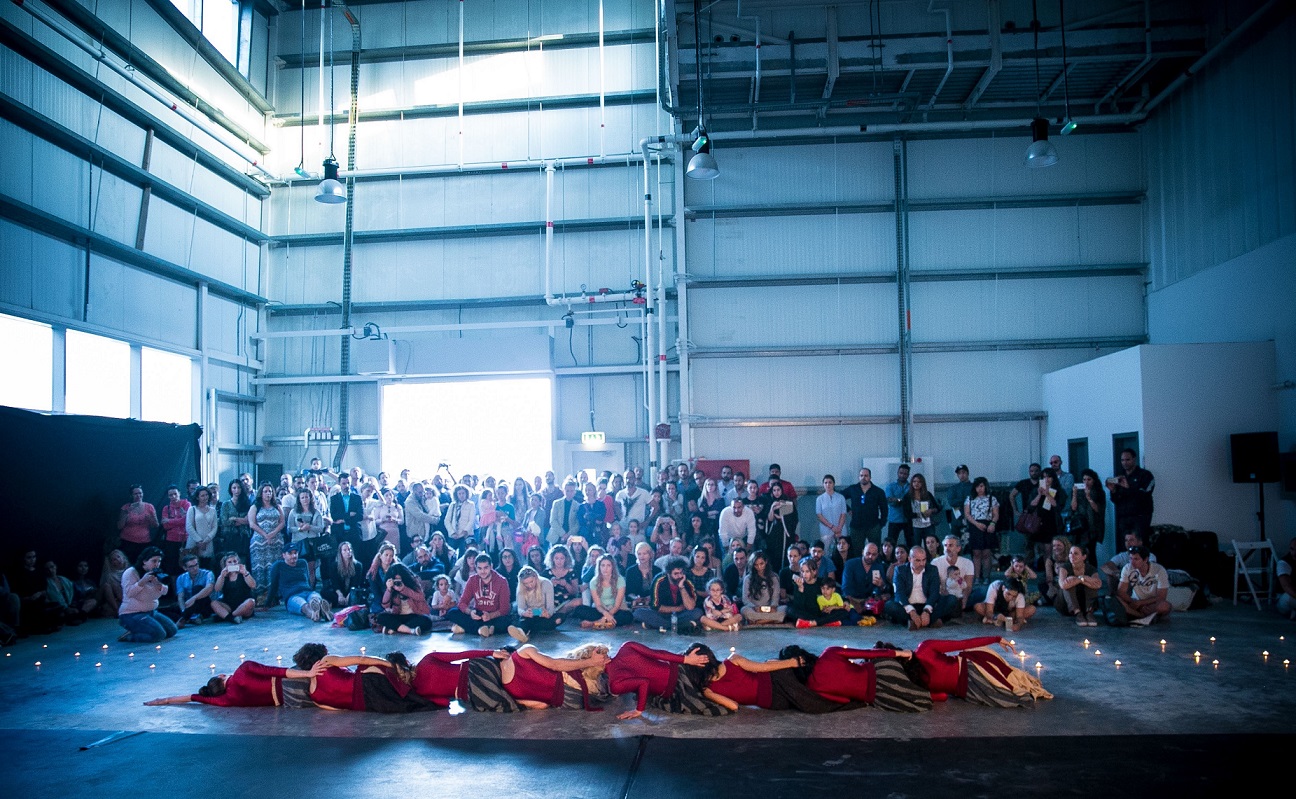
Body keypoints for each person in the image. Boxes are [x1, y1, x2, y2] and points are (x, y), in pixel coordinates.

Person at [697, 644, 855, 714]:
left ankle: (839, 693)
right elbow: (763, 668)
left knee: (780, 664)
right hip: (775, 681)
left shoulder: (707, 690)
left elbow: (734, 706)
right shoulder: (733, 660)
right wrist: (792, 662)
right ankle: (844, 677)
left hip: (772, 702)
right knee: (792, 660)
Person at [784, 643, 932, 713]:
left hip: (880, 695)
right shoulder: (829, 653)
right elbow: (868, 653)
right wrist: (898, 653)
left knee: (923, 701)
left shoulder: (811, 686)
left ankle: (935, 694)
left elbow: (843, 700)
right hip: (884, 669)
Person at [909, 637, 1053, 707]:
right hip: (975, 669)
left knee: (1011, 688)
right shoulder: (924, 648)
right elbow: (964, 644)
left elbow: (942, 696)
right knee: (1011, 680)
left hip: (969, 690)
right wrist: (996, 639)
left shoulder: (914, 683)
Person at [145, 658, 328, 708]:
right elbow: (277, 671)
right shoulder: (243, 669)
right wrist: (308, 672)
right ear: (222, 676)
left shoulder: (227, 700)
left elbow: (196, 698)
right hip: (290, 684)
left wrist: (167, 700)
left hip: (290, 701)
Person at [606, 641, 723, 719]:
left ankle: (718, 669)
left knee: (696, 657)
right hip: (677, 682)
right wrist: (685, 659)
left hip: (675, 679)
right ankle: (720, 668)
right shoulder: (626, 646)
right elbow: (657, 654)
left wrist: (639, 710)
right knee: (698, 656)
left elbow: (644, 682)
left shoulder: (614, 685)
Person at [885, 545, 957, 630]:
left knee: (952, 599)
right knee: (889, 605)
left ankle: (917, 622)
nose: (922, 564)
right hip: (907, 606)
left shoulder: (932, 569)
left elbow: (934, 592)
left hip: (928, 605)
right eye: (918, 560)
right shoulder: (900, 570)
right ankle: (927, 621)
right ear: (909, 559)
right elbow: (899, 593)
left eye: (924, 560)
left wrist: (926, 611)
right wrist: (912, 612)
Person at [118, 547, 177, 643]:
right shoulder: (131, 572)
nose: (157, 564)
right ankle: (130, 636)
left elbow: (165, 592)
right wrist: (142, 582)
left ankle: (143, 628)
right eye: (154, 561)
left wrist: (158, 583)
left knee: (172, 630)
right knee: (159, 635)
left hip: (150, 611)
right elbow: (129, 593)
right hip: (131, 614)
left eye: (159, 561)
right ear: (144, 561)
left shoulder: (157, 573)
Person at [446, 553, 512, 637]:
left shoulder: (502, 581)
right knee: (452, 612)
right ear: (475, 568)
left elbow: (504, 609)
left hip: (494, 615)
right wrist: (471, 612)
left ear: (491, 566)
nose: (483, 571)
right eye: (479, 568)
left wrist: (490, 616)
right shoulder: (472, 580)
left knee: (505, 622)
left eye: (486, 568)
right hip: (478, 615)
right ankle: (486, 630)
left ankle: (468, 629)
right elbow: (462, 603)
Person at [1106, 546, 1171, 626]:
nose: (1132, 562)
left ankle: (1139, 615)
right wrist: (1133, 602)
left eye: (1136, 559)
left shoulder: (1159, 570)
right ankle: (1143, 616)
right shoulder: (1127, 568)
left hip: (1151, 603)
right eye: (1130, 558)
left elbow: (1161, 596)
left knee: (1165, 606)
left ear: (1145, 559)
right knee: (1116, 600)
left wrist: (1141, 603)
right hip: (1134, 602)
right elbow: (1121, 591)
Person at [633, 557, 702, 632]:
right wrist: (678, 608)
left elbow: (690, 607)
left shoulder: (687, 581)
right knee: (638, 613)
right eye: (676, 574)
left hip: (680, 615)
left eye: (681, 573)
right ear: (668, 573)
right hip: (662, 615)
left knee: (697, 612)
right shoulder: (659, 580)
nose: (679, 576)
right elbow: (656, 607)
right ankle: (681, 625)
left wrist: (682, 587)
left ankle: (661, 626)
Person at [268, 546, 332, 622]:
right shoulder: (278, 566)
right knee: (304, 606)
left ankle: (320, 610)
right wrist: (268, 603)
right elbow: (273, 586)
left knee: (315, 599)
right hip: (292, 596)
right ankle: (317, 614)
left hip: (308, 592)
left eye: (295, 553)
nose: (294, 556)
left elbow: (308, 581)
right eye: (290, 553)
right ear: (284, 555)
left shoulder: (303, 562)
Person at [1107, 448, 1155, 543]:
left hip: (1140, 517)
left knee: (1139, 544)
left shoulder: (1145, 475)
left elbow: (1144, 495)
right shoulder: (1119, 477)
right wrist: (1113, 491)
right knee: (1125, 546)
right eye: (1122, 460)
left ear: (1134, 459)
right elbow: (1116, 500)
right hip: (1123, 517)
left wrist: (1128, 487)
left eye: (1127, 460)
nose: (1125, 463)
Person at [246, 484, 284, 603]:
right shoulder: (255, 507)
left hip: (276, 541)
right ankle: (261, 596)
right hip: (259, 542)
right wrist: (265, 534)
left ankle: (274, 595)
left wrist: (272, 534)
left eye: (270, 491)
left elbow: (282, 522)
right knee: (260, 568)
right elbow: (252, 524)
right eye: (265, 491)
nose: (268, 494)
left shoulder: (277, 506)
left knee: (274, 567)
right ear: (261, 493)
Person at [575, 554, 634, 630]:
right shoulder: (594, 581)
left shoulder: (620, 580)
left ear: (612, 567)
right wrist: (605, 614)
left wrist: (606, 616)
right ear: (599, 567)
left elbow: (617, 605)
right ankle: (607, 623)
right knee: (579, 610)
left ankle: (595, 623)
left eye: (608, 565)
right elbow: (598, 605)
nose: (605, 568)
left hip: (616, 610)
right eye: (603, 565)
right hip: (601, 610)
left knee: (628, 617)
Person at [788, 556, 847, 629]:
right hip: (806, 613)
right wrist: (801, 589)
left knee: (843, 612)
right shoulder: (799, 584)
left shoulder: (822, 582)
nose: (804, 574)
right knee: (790, 610)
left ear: (814, 571)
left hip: (821, 612)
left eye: (807, 571)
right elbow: (799, 607)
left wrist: (846, 601)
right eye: (802, 571)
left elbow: (836, 593)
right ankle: (823, 622)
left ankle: (814, 622)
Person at [376, 563, 433, 635]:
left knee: (426, 621)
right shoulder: (391, 587)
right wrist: (389, 590)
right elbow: (385, 605)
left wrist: (404, 589)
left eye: (400, 580)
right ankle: (409, 630)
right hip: (398, 615)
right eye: (395, 580)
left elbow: (421, 597)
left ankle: (396, 628)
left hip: (414, 615)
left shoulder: (413, 582)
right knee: (381, 617)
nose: (398, 582)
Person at [287, 487, 326, 590]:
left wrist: (310, 527)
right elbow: (289, 528)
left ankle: (311, 588)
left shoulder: (316, 512)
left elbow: (321, 528)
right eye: (302, 497)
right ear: (299, 499)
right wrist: (300, 529)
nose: (305, 499)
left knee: (311, 568)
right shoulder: (293, 512)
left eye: (307, 497)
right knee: (298, 567)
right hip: (298, 543)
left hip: (312, 543)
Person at [963, 477, 1000, 585]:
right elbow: (967, 514)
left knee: (987, 552)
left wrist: (992, 524)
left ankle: (987, 576)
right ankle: (977, 577)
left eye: (982, 486)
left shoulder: (991, 499)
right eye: (978, 486)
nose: (980, 489)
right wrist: (976, 524)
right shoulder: (969, 498)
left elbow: (996, 514)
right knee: (976, 553)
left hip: (988, 525)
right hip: (975, 525)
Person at [507, 565, 557, 643]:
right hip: (529, 615)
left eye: (531, 582)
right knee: (524, 621)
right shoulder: (520, 588)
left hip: (543, 614)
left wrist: (547, 614)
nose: (529, 585)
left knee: (556, 619)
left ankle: (528, 630)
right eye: (526, 583)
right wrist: (524, 613)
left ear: (536, 577)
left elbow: (551, 608)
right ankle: (522, 633)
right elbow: (520, 608)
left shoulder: (546, 583)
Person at [1056, 545, 1102, 627]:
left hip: (1084, 603)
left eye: (1076, 553)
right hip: (1066, 605)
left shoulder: (1090, 568)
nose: (1072, 556)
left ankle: (1089, 612)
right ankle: (1077, 613)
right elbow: (1063, 585)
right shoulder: (1064, 567)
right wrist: (1082, 579)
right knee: (1068, 586)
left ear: (1084, 557)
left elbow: (1098, 584)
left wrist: (1080, 579)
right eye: (1070, 553)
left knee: (1091, 586)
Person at [843, 468, 887, 552]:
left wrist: (881, 524)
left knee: (874, 551)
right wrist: (848, 509)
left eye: (866, 475)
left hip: (873, 526)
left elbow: (884, 509)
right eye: (861, 475)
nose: (863, 477)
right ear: (859, 477)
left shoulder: (878, 491)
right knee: (857, 552)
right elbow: (840, 498)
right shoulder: (853, 489)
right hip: (856, 526)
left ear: (870, 477)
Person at [841, 541, 889, 616]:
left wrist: (882, 585)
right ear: (863, 552)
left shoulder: (879, 567)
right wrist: (855, 604)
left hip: (868, 600)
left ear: (877, 555)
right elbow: (846, 587)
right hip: (851, 598)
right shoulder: (850, 564)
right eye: (868, 553)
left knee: (885, 598)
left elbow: (880, 590)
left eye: (874, 555)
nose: (870, 557)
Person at [1069, 468, 1106, 562]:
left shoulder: (1099, 492)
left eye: (1089, 479)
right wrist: (1074, 494)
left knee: (1091, 551)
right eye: (1084, 480)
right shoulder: (1079, 492)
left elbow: (1099, 509)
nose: (1086, 482)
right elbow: (1073, 508)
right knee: (1078, 550)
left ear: (1094, 480)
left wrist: (1089, 497)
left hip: (1092, 526)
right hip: (1079, 526)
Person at [116, 485, 158, 566]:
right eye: (135, 494)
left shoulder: (149, 507)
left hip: (144, 542)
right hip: (127, 542)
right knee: (127, 565)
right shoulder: (125, 507)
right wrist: (127, 512)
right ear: (131, 495)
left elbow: (156, 525)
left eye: (140, 493)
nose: (138, 495)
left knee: (142, 565)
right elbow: (119, 526)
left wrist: (149, 518)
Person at [741, 551, 786, 624]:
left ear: (766, 562)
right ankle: (770, 620)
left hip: (769, 609)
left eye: (761, 564)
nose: (759, 567)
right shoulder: (748, 579)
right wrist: (754, 607)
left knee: (784, 609)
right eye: (756, 565)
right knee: (744, 610)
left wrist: (772, 607)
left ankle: (759, 621)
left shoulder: (774, 577)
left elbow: (775, 597)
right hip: (754, 609)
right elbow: (745, 599)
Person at [934, 535, 975, 613]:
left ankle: (957, 608)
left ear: (958, 548)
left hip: (962, 594)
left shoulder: (967, 563)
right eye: (945, 545)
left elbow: (968, 586)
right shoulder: (935, 563)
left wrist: (964, 599)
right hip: (945, 595)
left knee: (983, 592)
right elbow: (936, 586)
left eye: (951, 545)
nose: (947, 548)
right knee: (950, 600)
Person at [211, 552, 256, 623]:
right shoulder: (224, 576)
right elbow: (217, 589)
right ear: (225, 564)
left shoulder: (244, 573)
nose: (233, 564)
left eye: (235, 561)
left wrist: (245, 573)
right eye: (229, 562)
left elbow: (253, 585)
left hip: (244, 605)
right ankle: (232, 618)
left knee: (251, 602)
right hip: (228, 605)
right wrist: (222, 576)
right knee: (214, 603)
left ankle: (229, 616)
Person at [159, 485, 191, 578]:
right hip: (171, 541)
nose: (173, 497)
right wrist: (180, 520)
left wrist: (170, 521)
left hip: (185, 540)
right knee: (172, 568)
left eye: (175, 494)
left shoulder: (186, 504)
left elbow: (186, 521)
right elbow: (165, 526)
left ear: (179, 494)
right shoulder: (166, 508)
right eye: (170, 495)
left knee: (186, 566)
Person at [174, 555, 215, 627]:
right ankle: (191, 617)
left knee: (197, 588)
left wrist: (194, 598)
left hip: (205, 604)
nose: (195, 568)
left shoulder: (208, 574)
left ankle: (184, 619)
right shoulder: (181, 578)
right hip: (189, 606)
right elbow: (181, 597)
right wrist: (184, 611)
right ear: (185, 568)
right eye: (191, 566)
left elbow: (209, 588)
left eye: (196, 565)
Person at [184, 486, 219, 568]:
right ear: (197, 497)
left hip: (208, 543)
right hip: (194, 544)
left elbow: (215, 527)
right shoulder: (192, 509)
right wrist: (199, 541)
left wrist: (206, 541)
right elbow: (189, 527)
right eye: (202, 495)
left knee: (206, 567)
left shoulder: (213, 510)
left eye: (206, 495)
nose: (205, 497)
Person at [217, 479, 251, 564]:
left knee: (242, 561)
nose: (237, 490)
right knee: (230, 560)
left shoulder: (247, 503)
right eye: (234, 488)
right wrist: (241, 520)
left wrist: (234, 519)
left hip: (243, 537)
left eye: (239, 487)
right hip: (229, 537)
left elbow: (249, 520)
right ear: (230, 489)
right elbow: (224, 522)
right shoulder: (226, 504)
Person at [323, 540, 364, 609]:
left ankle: (342, 603)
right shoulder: (334, 565)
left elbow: (356, 583)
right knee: (324, 592)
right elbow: (334, 582)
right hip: (339, 591)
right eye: (344, 550)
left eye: (349, 549)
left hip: (351, 591)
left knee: (359, 595)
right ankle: (340, 602)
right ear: (340, 552)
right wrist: (340, 595)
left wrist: (349, 595)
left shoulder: (358, 565)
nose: (348, 552)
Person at [905, 474, 941, 548]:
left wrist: (931, 510)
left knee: (930, 547)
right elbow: (906, 514)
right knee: (916, 547)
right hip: (915, 526)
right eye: (914, 481)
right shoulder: (907, 496)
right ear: (911, 483)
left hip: (928, 525)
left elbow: (937, 508)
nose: (916, 484)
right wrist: (920, 514)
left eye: (919, 482)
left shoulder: (928, 494)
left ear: (922, 483)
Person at [815, 474, 847, 550]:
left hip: (840, 529)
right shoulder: (820, 499)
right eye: (825, 483)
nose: (828, 484)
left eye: (830, 482)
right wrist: (832, 527)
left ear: (834, 484)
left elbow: (843, 514)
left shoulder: (840, 497)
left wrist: (839, 528)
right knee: (826, 550)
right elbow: (819, 515)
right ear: (823, 485)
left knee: (841, 549)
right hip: (826, 529)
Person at [884, 464, 912, 546]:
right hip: (894, 519)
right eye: (901, 473)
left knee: (911, 543)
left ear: (908, 475)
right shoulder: (890, 486)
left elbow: (912, 501)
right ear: (898, 473)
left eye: (905, 474)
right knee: (891, 544)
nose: (902, 475)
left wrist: (897, 499)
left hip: (908, 519)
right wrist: (901, 501)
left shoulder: (911, 486)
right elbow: (890, 501)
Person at [945, 465, 974, 545]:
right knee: (955, 543)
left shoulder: (974, 487)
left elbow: (974, 501)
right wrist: (966, 500)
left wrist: (961, 501)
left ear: (967, 473)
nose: (962, 475)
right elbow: (952, 502)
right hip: (956, 521)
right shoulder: (953, 488)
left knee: (970, 544)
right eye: (959, 473)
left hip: (971, 520)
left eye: (963, 472)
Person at [99, 549, 129, 618]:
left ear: (123, 558)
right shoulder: (110, 574)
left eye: (118, 557)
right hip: (115, 598)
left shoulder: (130, 571)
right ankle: (117, 611)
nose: (117, 560)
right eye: (114, 559)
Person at [1276, 537, 1296, 620]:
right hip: (1286, 597)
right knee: (1288, 597)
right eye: (1292, 549)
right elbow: (1286, 586)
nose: (1294, 553)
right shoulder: (1284, 563)